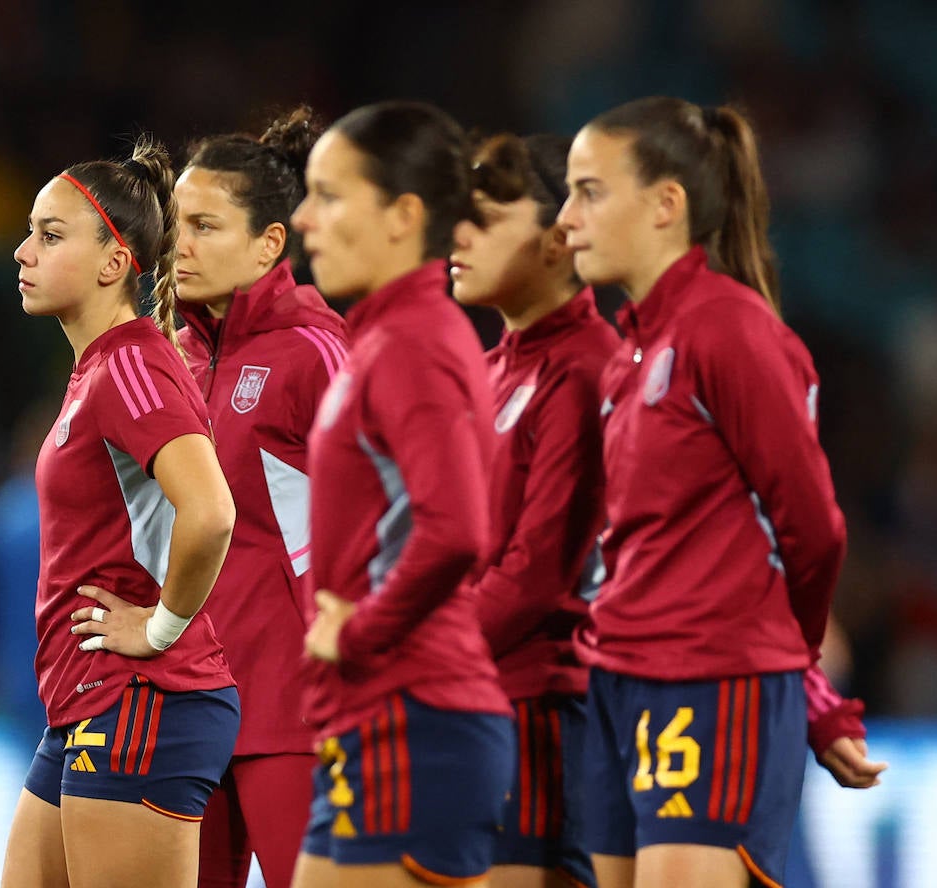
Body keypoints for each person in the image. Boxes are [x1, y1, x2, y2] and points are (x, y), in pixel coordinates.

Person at [556, 96, 880, 888]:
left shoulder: (730, 331)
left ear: (667, 205)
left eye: (590, 191)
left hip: (708, 685)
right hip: (615, 686)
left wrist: (789, 676)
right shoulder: (628, 351)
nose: (565, 219)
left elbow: (812, 529)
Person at [1, 138, 240, 888]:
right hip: (87, 701)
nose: (21, 251)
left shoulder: (131, 363)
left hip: (141, 701)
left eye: (50, 234)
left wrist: (161, 624)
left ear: (113, 263)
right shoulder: (101, 368)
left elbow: (211, 512)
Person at [288, 100, 514, 888]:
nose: (305, 218)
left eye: (330, 194)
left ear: (403, 215)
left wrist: (359, 635)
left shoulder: (414, 342)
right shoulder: (387, 336)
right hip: (381, 716)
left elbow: (457, 529)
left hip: (413, 715)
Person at [172, 106, 346, 888]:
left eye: (205, 225)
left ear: (269, 243)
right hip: (186, 706)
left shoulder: (317, 352)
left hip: (294, 707)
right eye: (176, 222)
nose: (179, 245)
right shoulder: (164, 362)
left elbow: (388, 515)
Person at [450, 132, 621, 888]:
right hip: (471, 698)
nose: (458, 235)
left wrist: (415, 653)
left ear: (558, 240)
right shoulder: (486, 371)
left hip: (543, 707)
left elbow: (540, 570)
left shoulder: (588, 367)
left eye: (485, 219)